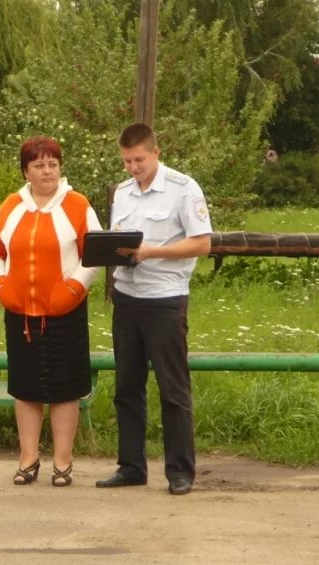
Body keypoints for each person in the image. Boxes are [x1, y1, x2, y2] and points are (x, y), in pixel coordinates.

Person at [96, 122, 212, 496]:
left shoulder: (183, 188)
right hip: (127, 297)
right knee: (127, 387)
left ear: (156, 153)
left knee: (172, 389)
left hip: (164, 299)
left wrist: (151, 252)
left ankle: (180, 471)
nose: (133, 167)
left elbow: (201, 244)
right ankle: (131, 467)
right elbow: (120, 238)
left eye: (139, 160)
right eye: (127, 161)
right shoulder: (123, 193)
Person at [0, 135, 101, 487]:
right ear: (26, 171)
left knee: (65, 388)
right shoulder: (9, 207)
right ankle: (28, 458)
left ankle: (63, 463)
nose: (47, 170)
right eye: (39, 165)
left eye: (52, 164)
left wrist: (74, 288)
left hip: (65, 312)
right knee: (26, 386)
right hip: (21, 315)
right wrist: (1, 286)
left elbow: (93, 253)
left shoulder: (78, 205)